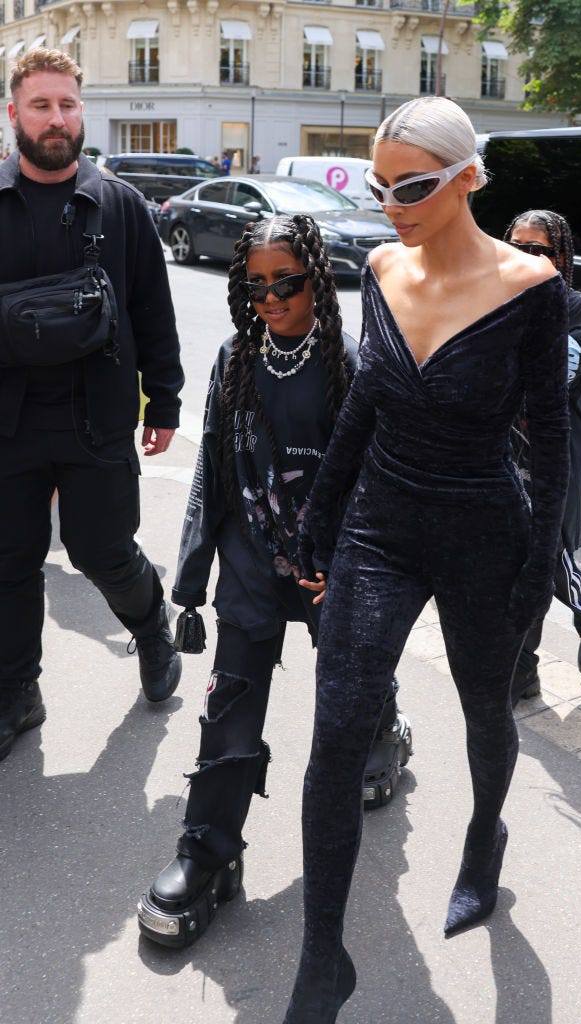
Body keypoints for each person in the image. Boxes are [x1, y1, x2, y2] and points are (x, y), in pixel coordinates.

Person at [281, 95, 570, 1023]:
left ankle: (484, 835)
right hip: (380, 524)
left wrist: (544, 567)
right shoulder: (377, 266)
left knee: (486, 705)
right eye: (380, 184)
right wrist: (320, 511)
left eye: (413, 184)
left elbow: (555, 437)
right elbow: (366, 400)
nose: (392, 201)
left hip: (484, 526)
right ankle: (320, 959)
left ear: (467, 178)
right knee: (335, 734)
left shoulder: (529, 286)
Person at [137, 213, 412, 949]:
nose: (270, 298)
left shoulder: (353, 368)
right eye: (254, 286)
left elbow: (378, 486)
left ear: (317, 280)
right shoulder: (234, 359)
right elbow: (212, 475)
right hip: (255, 568)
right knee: (229, 711)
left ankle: (385, 726)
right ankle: (207, 854)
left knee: (350, 692)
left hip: (333, 571)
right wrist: (192, 578)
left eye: (285, 282)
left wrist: (353, 567)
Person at [0, 49, 184, 763]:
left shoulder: (123, 206)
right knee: (9, 562)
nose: (56, 119)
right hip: (9, 422)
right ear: (14, 114)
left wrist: (163, 402)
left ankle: (151, 624)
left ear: (82, 112)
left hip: (97, 417)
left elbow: (152, 312)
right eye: (41, 105)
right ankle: (18, 691)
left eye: (67, 104)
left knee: (102, 551)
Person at [504, 210, 581, 703]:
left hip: (554, 455)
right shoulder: (493, 302)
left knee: (544, 551)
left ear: (560, 258)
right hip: (501, 452)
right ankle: (523, 670)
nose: (524, 258)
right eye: (515, 246)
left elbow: (556, 381)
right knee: (514, 557)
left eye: (537, 249)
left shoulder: (577, 307)